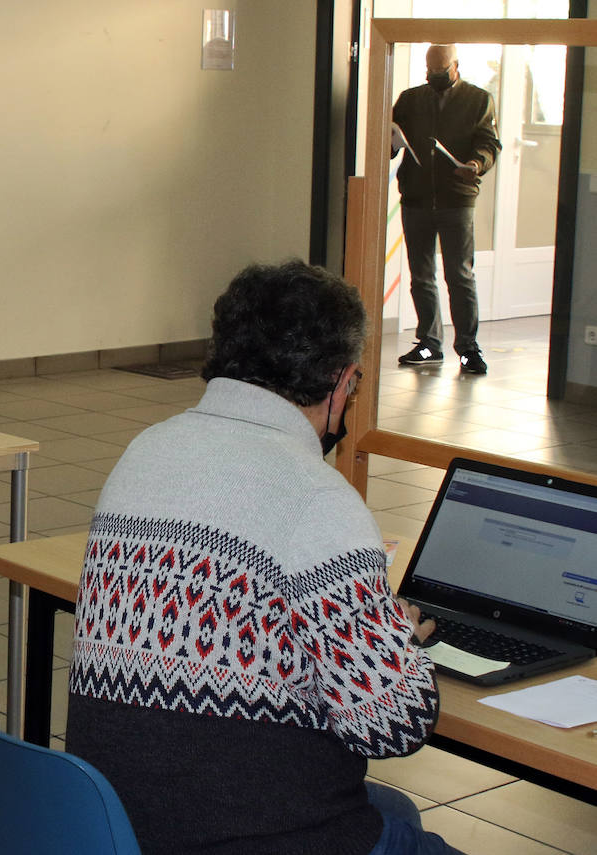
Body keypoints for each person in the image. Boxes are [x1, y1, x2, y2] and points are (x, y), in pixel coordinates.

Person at [66, 261, 458, 855]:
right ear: (342, 381)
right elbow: (392, 724)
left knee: (393, 808)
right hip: (246, 835)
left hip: (118, 822)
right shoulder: (318, 497)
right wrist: (394, 638)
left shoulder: (148, 449)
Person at [392, 43, 501, 375]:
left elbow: (489, 143)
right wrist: (391, 143)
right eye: (430, 72)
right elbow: (388, 141)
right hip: (417, 198)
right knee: (421, 276)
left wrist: (476, 163)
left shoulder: (478, 100)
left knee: (460, 275)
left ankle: (468, 349)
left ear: (456, 66)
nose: (435, 77)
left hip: (457, 199)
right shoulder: (410, 100)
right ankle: (429, 344)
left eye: (441, 72)